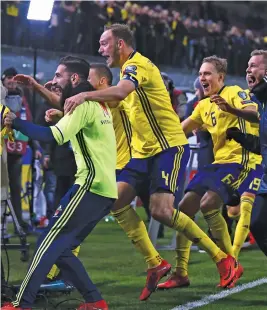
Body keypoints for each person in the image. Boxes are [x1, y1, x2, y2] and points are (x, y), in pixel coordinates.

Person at [64, 24, 238, 299]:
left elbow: (120, 93)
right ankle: (156, 263)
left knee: (161, 211)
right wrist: (55, 96)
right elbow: (110, 102)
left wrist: (84, 93)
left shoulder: (138, 66)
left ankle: (222, 259)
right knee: (116, 201)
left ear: (120, 44)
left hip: (167, 148)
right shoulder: (125, 73)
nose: (100, 49)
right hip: (142, 154)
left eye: (104, 43)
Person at [1, 55, 117, 310]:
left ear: (74, 79)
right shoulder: (97, 106)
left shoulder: (83, 106)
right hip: (106, 191)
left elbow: (51, 136)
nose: (53, 81)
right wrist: (53, 109)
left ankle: (22, 304)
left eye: (57, 76)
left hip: (89, 185)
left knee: (47, 241)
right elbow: (68, 123)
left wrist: (15, 121)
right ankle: (95, 301)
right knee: (62, 249)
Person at [158, 55, 257, 290]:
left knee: (210, 204)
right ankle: (181, 273)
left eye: (208, 73)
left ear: (220, 77)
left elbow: (254, 113)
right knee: (184, 209)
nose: (202, 77)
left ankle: (230, 263)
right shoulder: (203, 105)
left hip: (241, 162)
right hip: (218, 163)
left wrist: (231, 108)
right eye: (201, 73)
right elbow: (180, 132)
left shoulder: (234, 92)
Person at [217, 49, 267, 257]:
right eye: (248, 66)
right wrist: (239, 137)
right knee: (256, 223)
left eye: (254, 65)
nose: (248, 70)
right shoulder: (262, 106)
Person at [1, 67, 41, 233]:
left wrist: (35, 146)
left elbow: (29, 123)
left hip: (17, 150)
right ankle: (3, 227)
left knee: (16, 188)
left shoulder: (24, 97)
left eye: (14, 78)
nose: (11, 81)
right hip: (2, 149)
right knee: (2, 188)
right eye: (8, 78)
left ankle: (19, 225)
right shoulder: (2, 96)